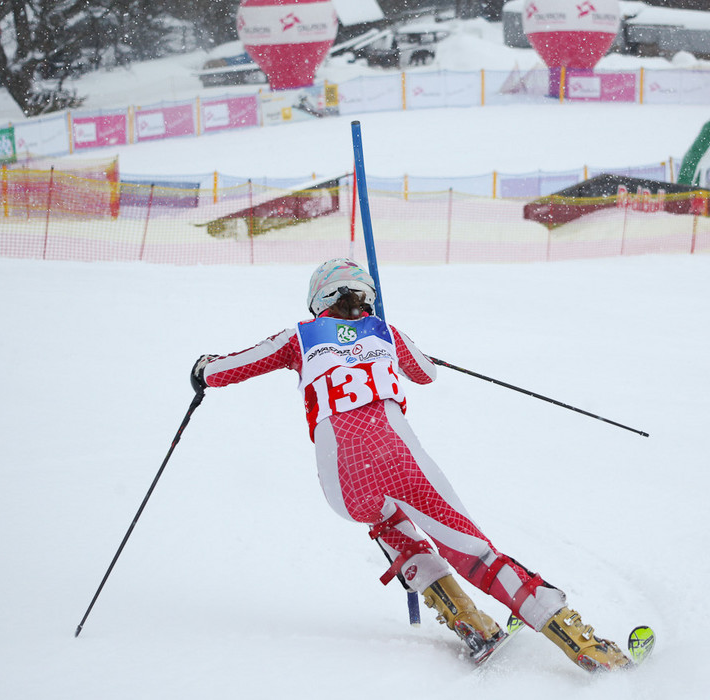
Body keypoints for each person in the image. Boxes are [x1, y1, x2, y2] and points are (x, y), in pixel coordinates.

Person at [191, 258, 631, 672]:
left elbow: (226, 369)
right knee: (474, 552)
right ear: (364, 297)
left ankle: (470, 622)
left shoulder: (299, 337)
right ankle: (581, 642)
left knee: (386, 523)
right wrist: (401, 348)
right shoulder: (384, 331)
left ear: (319, 301)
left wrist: (204, 369)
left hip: (340, 477)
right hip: (394, 452)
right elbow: (425, 373)